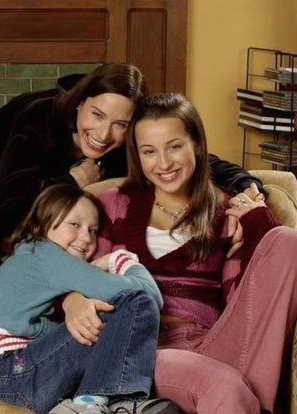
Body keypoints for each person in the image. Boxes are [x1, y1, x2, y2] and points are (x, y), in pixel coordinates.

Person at [91, 93, 297, 413]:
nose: (164, 163)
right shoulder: (112, 205)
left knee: (287, 239)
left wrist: (255, 217)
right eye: (149, 152)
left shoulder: (225, 211)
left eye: (174, 146)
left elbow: (255, 299)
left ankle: (249, 399)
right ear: (138, 156)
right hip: (144, 347)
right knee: (224, 385)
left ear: (197, 145)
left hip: (212, 344)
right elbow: (85, 281)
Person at [0, 63, 264, 263]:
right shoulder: (38, 120)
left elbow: (203, 162)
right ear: (80, 104)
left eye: (120, 124)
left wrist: (248, 188)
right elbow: (7, 212)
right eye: (97, 115)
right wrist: (72, 183)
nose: (103, 134)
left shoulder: (127, 145)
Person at [0, 184, 180, 414]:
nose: (86, 238)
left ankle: (84, 405)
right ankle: (116, 402)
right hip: (5, 372)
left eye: (93, 230)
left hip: (0, 376)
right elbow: (149, 295)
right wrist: (120, 260)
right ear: (43, 223)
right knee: (135, 302)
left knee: (94, 325)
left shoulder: (29, 258)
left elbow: (40, 332)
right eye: (75, 225)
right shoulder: (45, 253)